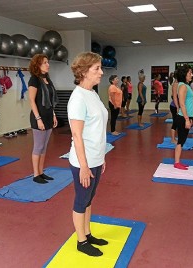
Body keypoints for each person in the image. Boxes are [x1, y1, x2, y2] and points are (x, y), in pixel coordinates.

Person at [67, 52, 109, 256]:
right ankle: (81, 241)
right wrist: (84, 166)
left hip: (95, 157)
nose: (101, 72)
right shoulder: (77, 98)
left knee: (89, 199)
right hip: (82, 161)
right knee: (81, 200)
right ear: (83, 72)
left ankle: (88, 233)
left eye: (100, 68)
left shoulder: (92, 93)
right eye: (97, 69)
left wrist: (101, 157)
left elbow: (97, 128)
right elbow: (77, 134)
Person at [28, 54, 58, 184]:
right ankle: (36, 174)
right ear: (37, 65)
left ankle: (41, 172)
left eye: (48, 62)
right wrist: (38, 119)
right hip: (38, 118)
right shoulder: (34, 80)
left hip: (48, 117)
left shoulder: (47, 80)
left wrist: (53, 115)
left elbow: (50, 101)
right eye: (45, 62)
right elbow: (32, 101)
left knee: (44, 147)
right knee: (38, 146)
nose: (48, 64)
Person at [174, 65, 193, 170]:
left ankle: (178, 161)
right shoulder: (182, 86)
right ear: (184, 74)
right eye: (189, 73)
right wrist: (186, 119)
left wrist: (189, 118)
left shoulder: (186, 85)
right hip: (182, 117)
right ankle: (177, 163)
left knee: (182, 140)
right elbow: (182, 104)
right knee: (181, 140)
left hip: (187, 116)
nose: (191, 74)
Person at [169, 71, 179, 143]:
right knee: (175, 122)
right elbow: (174, 97)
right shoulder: (175, 84)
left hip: (177, 106)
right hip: (174, 106)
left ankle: (177, 137)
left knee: (178, 122)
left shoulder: (179, 84)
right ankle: (172, 139)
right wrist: (178, 107)